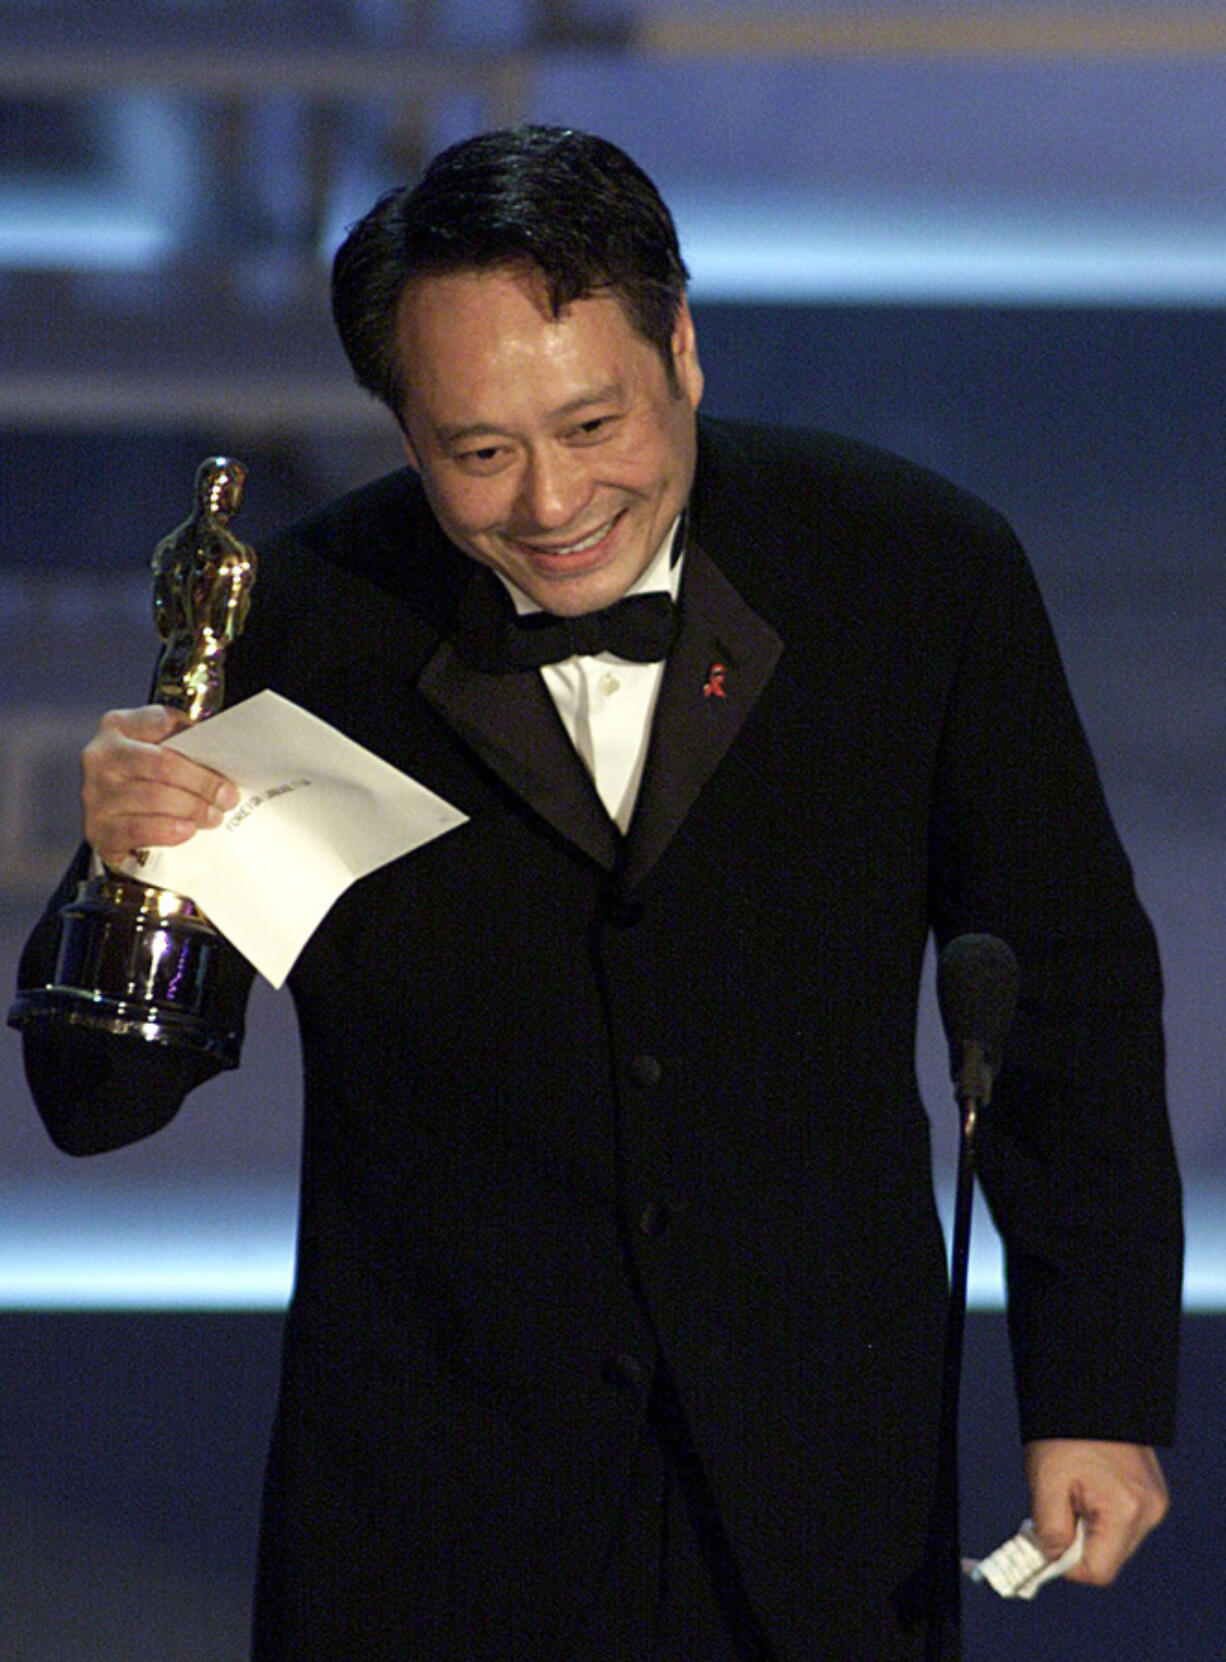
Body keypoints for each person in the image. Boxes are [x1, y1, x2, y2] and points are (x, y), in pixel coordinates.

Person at [13, 126, 1181, 1660]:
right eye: (476, 451)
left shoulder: (912, 572)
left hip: (819, 1495)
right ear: (400, 425)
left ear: (680, 346)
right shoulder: (301, 626)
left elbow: (1067, 993)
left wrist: (1091, 1393)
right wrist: (129, 859)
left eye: (590, 422)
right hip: (428, 1514)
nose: (551, 499)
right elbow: (99, 1104)